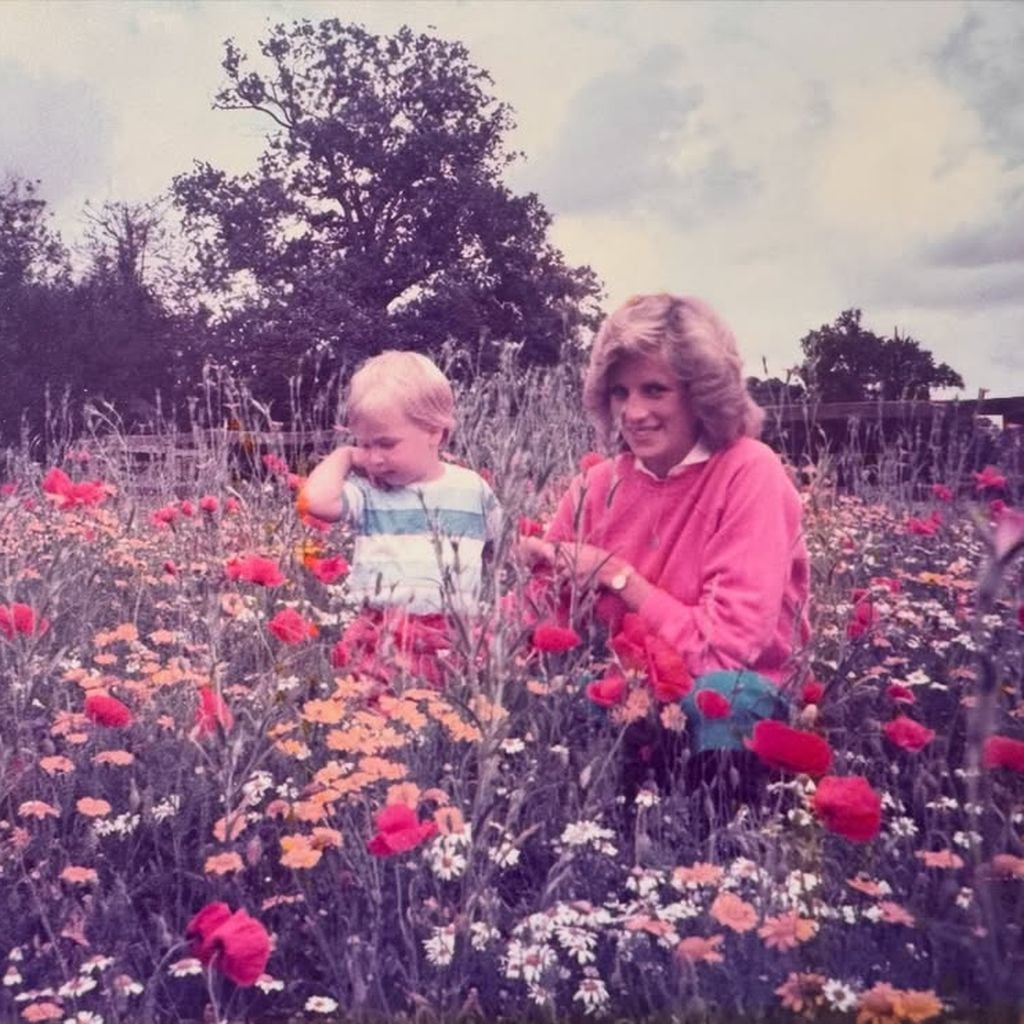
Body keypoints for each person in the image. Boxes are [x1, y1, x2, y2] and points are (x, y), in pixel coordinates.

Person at [520, 293, 811, 831]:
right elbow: (540, 620)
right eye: (620, 392)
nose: (633, 412)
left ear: (703, 394)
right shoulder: (595, 486)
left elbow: (726, 651)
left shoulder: (749, 471)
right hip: (625, 694)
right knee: (539, 710)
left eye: (655, 389)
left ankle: (725, 847)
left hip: (727, 695)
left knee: (720, 699)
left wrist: (615, 574)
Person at [300, 351, 502, 686]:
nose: (375, 459)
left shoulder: (473, 491)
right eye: (364, 444)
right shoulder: (368, 493)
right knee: (377, 724)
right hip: (380, 635)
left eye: (386, 444)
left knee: (445, 722)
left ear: (434, 432)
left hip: (451, 637)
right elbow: (315, 501)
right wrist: (345, 455)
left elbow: (501, 552)